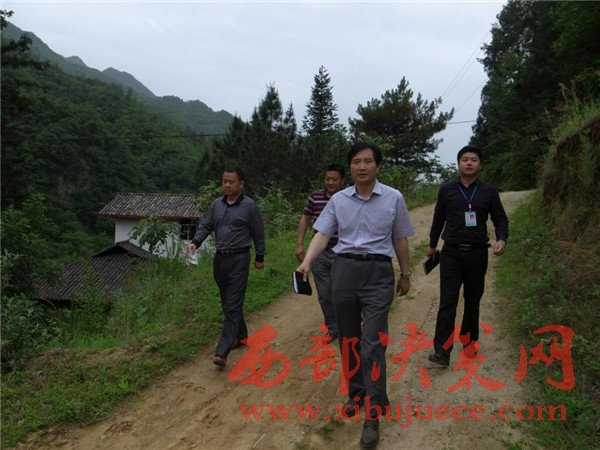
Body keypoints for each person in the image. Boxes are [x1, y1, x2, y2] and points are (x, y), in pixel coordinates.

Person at [296, 142, 414, 449]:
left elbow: (400, 238)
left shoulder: (393, 198)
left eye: (368, 161)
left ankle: (373, 415)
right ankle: (357, 393)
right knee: (349, 338)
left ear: (377, 166)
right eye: (356, 162)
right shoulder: (338, 200)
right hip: (344, 270)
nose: (362, 167)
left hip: (378, 273)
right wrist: (307, 262)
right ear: (350, 167)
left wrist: (405, 274)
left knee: (373, 342)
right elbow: (323, 233)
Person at [426, 145, 508, 367]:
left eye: (473, 159)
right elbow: (438, 219)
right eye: (464, 159)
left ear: (480, 165)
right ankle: (442, 352)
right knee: (447, 301)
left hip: (477, 253)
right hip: (451, 253)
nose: (469, 163)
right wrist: (432, 245)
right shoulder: (447, 190)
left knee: (473, 300)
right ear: (458, 164)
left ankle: (469, 341)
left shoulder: (489, 191)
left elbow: (500, 219)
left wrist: (501, 239)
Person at [188, 166, 265, 369]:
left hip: (240, 259)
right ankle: (241, 335)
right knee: (227, 302)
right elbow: (206, 225)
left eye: (231, 182)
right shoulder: (217, 205)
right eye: (224, 181)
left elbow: (258, 233)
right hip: (220, 259)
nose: (227, 185)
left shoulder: (249, 207)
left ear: (241, 184)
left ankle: (222, 352)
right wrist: (196, 242)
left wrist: (260, 256)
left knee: (232, 304)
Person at [295, 164, 345, 341]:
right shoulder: (315, 197)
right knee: (324, 294)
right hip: (319, 254)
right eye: (327, 179)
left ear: (342, 181)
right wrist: (300, 244)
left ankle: (349, 324)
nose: (330, 182)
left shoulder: (349, 198)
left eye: (334, 179)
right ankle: (333, 328)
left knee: (342, 292)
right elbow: (305, 219)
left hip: (342, 253)